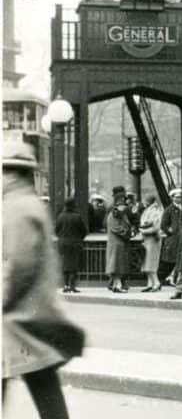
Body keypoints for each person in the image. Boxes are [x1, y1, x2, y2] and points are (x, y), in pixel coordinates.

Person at [3, 142, 85, 419]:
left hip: (17, 320)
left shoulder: (16, 208)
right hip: (34, 317)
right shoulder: (32, 204)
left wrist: (3, 299)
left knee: (40, 384)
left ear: (11, 174)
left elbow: (19, 264)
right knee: (44, 385)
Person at [55, 198, 88, 293]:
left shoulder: (60, 216)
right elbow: (83, 231)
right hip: (75, 243)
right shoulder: (77, 216)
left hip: (63, 243)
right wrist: (79, 238)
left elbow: (56, 230)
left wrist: (62, 237)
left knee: (65, 264)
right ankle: (72, 286)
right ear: (73, 205)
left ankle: (65, 285)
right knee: (74, 265)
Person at [105, 189, 132, 293]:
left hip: (118, 243)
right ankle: (117, 285)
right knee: (117, 265)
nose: (125, 204)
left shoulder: (118, 213)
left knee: (117, 265)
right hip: (117, 243)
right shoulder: (115, 214)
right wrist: (128, 233)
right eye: (124, 201)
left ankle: (117, 284)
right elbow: (116, 228)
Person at [138, 194, 164, 292]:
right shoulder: (149, 210)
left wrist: (143, 230)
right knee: (147, 262)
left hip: (153, 239)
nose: (144, 203)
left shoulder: (156, 211)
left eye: (146, 201)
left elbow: (156, 226)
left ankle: (156, 283)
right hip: (148, 239)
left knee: (151, 263)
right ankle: (150, 283)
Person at [159, 188, 182, 285]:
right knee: (175, 259)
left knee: (181, 258)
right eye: (177, 197)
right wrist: (170, 231)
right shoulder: (169, 209)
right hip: (174, 239)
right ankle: (172, 277)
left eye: (180, 197)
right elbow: (163, 225)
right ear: (172, 198)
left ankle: (172, 276)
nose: (179, 199)